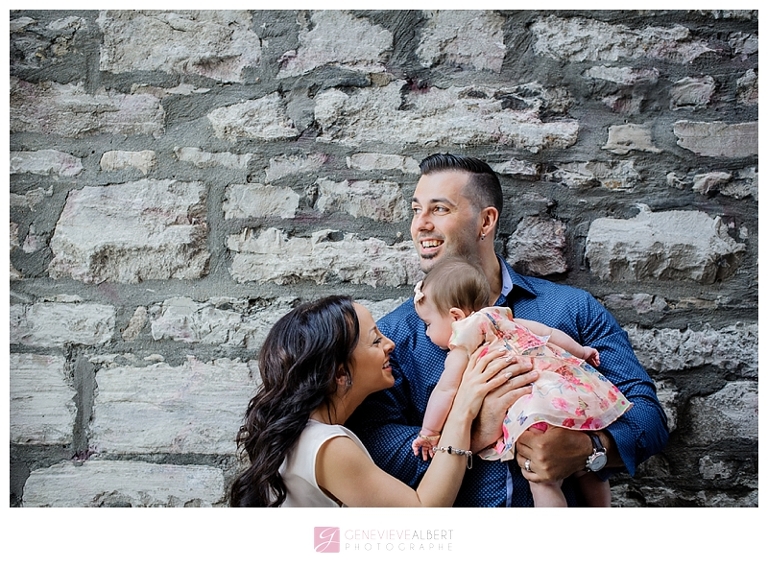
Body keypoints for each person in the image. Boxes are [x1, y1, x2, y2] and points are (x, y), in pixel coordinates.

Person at [347, 153, 669, 507]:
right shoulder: (395, 334)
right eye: (416, 210)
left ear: (486, 221)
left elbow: (648, 416)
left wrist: (589, 449)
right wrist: (469, 433)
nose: (420, 224)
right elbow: (370, 443)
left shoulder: (572, 309)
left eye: (438, 209)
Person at [229, 295, 536, 507]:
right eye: (375, 339)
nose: (390, 344)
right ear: (339, 373)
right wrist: (463, 408)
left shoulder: (305, 436)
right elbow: (422, 514)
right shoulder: (327, 446)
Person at [410, 257, 632, 506]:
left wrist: (430, 432)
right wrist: (581, 352)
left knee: (541, 478)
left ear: (455, 316)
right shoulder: (503, 318)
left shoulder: (463, 342)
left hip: (533, 409)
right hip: (563, 393)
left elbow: (446, 390)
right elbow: (548, 334)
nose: (427, 332)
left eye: (428, 324)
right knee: (587, 469)